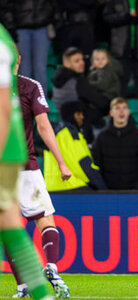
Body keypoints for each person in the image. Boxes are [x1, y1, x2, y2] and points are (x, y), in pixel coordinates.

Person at [5, 50, 72, 298]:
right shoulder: (30, 86)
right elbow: (44, 127)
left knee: (9, 229)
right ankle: (52, 268)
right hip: (26, 169)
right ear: (19, 59)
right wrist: (61, 163)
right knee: (45, 221)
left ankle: (23, 286)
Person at [0, 24, 53, 300]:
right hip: (14, 153)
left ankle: (34, 289)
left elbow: (3, 107)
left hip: (4, 154)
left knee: (8, 223)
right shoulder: (5, 40)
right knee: (9, 224)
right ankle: (37, 291)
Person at [91, 97, 138, 190]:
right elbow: (95, 164)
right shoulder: (101, 138)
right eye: (117, 108)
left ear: (128, 112)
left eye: (124, 108)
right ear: (111, 113)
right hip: (109, 193)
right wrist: (103, 188)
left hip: (133, 194)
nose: (121, 111)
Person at [44, 101, 107, 191]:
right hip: (71, 186)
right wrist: (101, 186)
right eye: (78, 114)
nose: (82, 117)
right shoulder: (70, 134)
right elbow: (82, 164)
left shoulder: (54, 133)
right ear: (71, 115)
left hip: (53, 187)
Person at [52, 47, 110, 143]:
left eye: (82, 59)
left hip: (65, 127)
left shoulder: (57, 80)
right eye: (77, 61)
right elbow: (99, 101)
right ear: (67, 63)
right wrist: (108, 108)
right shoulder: (77, 81)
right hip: (83, 129)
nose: (82, 63)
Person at [12, 0, 60, 97]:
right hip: (20, 26)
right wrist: (11, 27)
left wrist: (54, 20)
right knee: (24, 70)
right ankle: (25, 106)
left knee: (40, 69)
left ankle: (41, 106)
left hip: (42, 25)